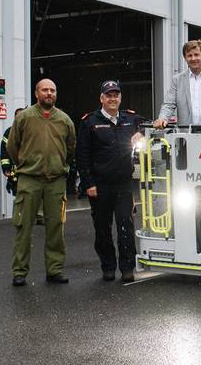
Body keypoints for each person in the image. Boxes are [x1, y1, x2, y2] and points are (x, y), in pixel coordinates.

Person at [6, 78, 76, 287]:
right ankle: (19, 272)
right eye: (44, 90)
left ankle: (54, 270)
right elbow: (12, 146)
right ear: (36, 93)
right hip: (29, 179)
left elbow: (70, 148)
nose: (49, 93)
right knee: (23, 227)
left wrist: (59, 165)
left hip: (55, 180)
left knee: (55, 227)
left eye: (52, 90)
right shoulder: (24, 118)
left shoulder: (64, 120)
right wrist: (26, 164)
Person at [77, 80, 143, 283]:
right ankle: (108, 267)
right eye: (109, 95)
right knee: (102, 228)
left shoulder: (131, 119)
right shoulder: (89, 122)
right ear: (101, 98)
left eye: (116, 95)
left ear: (120, 97)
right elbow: (82, 155)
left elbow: (148, 128)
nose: (113, 99)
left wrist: (141, 133)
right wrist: (88, 183)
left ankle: (127, 268)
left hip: (123, 184)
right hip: (100, 185)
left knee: (125, 226)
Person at [155, 40, 201, 128]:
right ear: (185, 58)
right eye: (189, 55)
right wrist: (163, 118)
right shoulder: (177, 80)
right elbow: (169, 104)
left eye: (196, 54)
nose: (193, 58)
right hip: (186, 133)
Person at [0, 108, 46, 223]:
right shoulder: (9, 132)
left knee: (38, 191)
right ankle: (20, 217)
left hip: (34, 168)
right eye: (18, 116)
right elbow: (4, 151)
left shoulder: (33, 130)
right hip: (17, 170)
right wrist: (6, 168)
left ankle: (40, 216)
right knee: (19, 194)